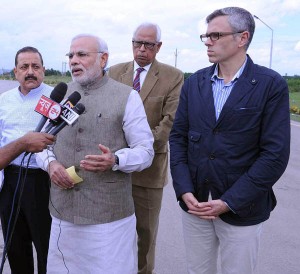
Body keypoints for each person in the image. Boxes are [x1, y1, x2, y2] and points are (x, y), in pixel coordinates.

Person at [169, 7, 290, 274]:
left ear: (242, 38)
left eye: (215, 35)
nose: (208, 41)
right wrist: (184, 189)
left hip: (241, 208)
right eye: (206, 36)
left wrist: (229, 201)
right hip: (196, 204)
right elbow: (178, 138)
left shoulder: (271, 85)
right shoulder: (195, 83)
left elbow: (275, 155)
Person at [36, 33, 154, 274]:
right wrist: (50, 165)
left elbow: (145, 150)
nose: (73, 61)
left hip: (108, 218)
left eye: (82, 54)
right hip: (63, 214)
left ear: (103, 59)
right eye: (71, 55)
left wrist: (116, 160)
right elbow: (41, 142)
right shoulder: (59, 95)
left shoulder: (127, 96)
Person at [109, 22, 184, 274]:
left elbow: (169, 122)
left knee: (146, 234)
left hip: (149, 171)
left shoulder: (173, 77)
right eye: (137, 43)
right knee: (113, 231)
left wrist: (136, 152)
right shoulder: (114, 72)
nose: (141, 49)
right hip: (113, 168)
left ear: (158, 47)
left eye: (148, 45)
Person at [0, 46, 54, 274]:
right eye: (24, 67)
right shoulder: (3, 101)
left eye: (36, 66)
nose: (30, 71)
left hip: (43, 182)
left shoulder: (55, 98)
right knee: (15, 249)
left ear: (43, 70)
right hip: (10, 181)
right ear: (15, 72)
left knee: (47, 250)